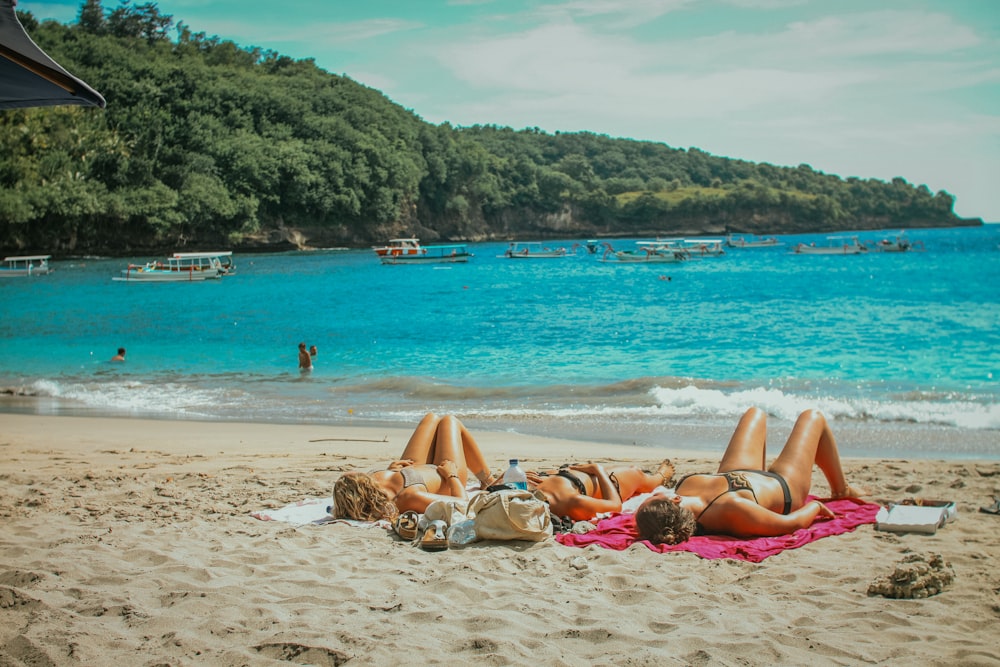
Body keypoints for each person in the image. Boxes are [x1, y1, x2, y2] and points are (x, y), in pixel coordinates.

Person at [634, 407, 865, 545]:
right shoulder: (731, 509)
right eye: (655, 496)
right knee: (812, 417)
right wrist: (815, 507)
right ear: (673, 501)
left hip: (738, 475)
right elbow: (789, 524)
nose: (659, 491)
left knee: (755, 413)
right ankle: (841, 490)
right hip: (784, 487)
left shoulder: (685, 487)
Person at [331, 413, 497, 522]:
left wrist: (391, 470)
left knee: (430, 418)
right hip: (444, 473)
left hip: (412, 469)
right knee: (450, 421)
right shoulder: (408, 497)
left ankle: (487, 480)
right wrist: (452, 476)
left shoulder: (375, 480)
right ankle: (488, 481)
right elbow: (461, 504)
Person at [527, 460, 675, 522]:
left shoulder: (517, 489)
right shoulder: (570, 501)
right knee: (636, 474)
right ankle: (660, 477)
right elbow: (615, 505)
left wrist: (504, 477)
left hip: (573, 474)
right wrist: (597, 470)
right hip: (603, 483)